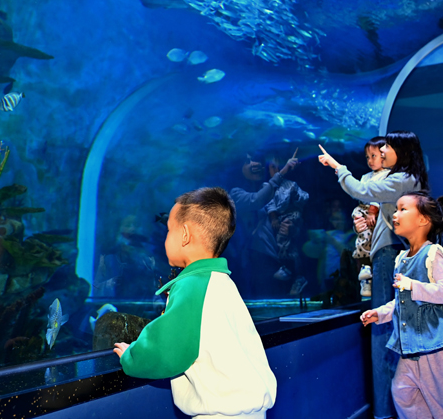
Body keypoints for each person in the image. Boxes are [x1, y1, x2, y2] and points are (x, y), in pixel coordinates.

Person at [114, 187, 277, 418]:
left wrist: (133, 356)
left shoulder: (192, 285)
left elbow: (168, 348)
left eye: (169, 230)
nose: (166, 236)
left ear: (185, 235)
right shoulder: (222, 282)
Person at [319, 131, 427, 419]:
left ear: (401, 150)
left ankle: (385, 410)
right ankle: (394, 406)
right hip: (388, 251)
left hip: (390, 252)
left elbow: (362, 191)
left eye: (388, 147)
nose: (382, 151)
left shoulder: (402, 180)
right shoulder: (401, 178)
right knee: (389, 325)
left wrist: (338, 167)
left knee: (383, 328)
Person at [361, 192, 443, 419]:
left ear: (423, 220)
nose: (395, 214)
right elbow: (402, 301)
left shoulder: (433, 253)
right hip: (411, 348)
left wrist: (412, 285)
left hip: (438, 348)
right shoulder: (401, 259)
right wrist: (380, 313)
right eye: (395, 209)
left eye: (402, 209)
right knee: (403, 393)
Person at [227, 152, 298, 292]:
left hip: (278, 257)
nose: (256, 164)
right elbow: (256, 200)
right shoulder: (235, 194)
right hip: (257, 259)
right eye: (248, 162)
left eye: (258, 160)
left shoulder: (269, 189)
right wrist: (282, 172)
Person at [263, 154, 309, 295]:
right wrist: (273, 218)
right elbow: (269, 204)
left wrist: (297, 198)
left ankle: (293, 273)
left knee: (285, 236)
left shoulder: (291, 184)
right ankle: (290, 270)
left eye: (279, 166)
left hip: (293, 214)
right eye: (272, 167)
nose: (276, 169)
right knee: (284, 244)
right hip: (281, 216)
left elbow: (304, 197)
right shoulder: (268, 186)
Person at [352, 137, 390, 297]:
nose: (370, 160)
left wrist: (373, 210)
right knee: (363, 238)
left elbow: (378, 193)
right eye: (367, 157)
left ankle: (368, 271)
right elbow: (361, 194)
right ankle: (365, 274)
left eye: (373, 156)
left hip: (379, 215)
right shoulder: (366, 177)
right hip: (364, 210)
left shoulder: (389, 175)